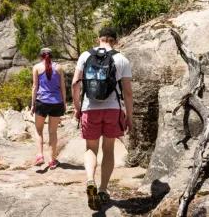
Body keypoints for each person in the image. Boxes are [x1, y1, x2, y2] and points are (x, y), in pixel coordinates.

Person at [71, 27, 133, 211]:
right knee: (108, 149)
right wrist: (129, 116)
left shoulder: (84, 56)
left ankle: (91, 180)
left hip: (90, 109)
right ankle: (104, 190)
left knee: (91, 148)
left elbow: (75, 84)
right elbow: (128, 93)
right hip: (113, 109)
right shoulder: (121, 59)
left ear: (98, 38)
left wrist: (77, 107)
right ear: (115, 40)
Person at [31, 47, 66, 169]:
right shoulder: (60, 68)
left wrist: (32, 104)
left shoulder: (36, 67)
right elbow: (62, 87)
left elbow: (35, 87)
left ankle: (40, 155)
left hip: (42, 101)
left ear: (41, 56)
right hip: (57, 102)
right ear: (52, 56)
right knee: (53, 132)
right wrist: (64, 102)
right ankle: (52, 160)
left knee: (38, 130)